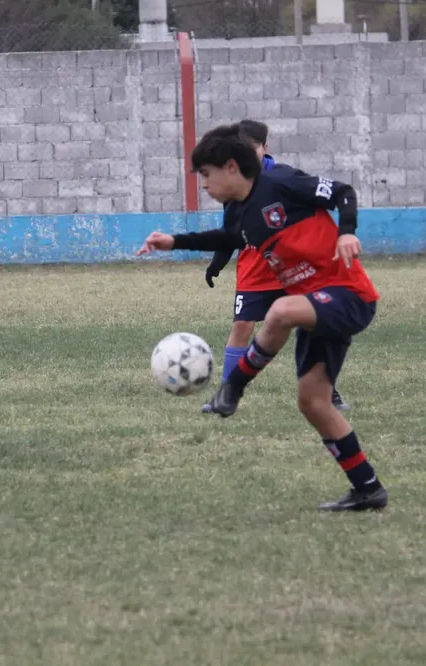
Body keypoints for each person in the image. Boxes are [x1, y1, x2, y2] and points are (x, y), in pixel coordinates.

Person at [136, 124, 387, 512]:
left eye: (205, 174)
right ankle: (368, 489)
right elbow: (230, 239)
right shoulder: (240, 211)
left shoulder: (281, 182)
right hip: (315, 307)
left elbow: (343, 192)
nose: (203, 184)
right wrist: (175, 242)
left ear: (231, 167)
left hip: (347, 294)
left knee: (280, 310)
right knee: (313, 402)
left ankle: (233, 387)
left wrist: (346, 232)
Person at [207, 120, 351, 413]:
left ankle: (328, 391)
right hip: (254, 266)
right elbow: (231, 230)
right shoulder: (234, 183)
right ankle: (226, 393)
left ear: (264, 149)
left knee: (311, 325)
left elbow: (323, 201)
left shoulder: (286, 178)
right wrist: (217, 263)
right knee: (242, 325)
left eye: (253, 149)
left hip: (293, 264)